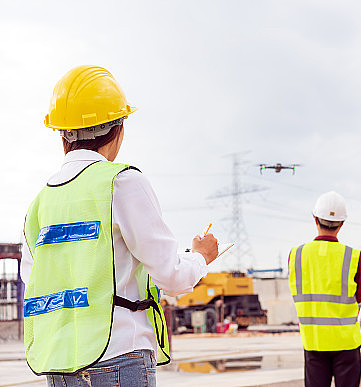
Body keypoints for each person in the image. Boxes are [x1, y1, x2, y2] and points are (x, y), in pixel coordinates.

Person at [21, 65, 220, 386]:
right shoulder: (122, 183)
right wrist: (201, 257)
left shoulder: (39, 204)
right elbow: (172, 278)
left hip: (58, 364)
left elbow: (34, 285)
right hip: (118, 356)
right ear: (119, 130)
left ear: (62, 136)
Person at [288, 191, 361, 387]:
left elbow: (297, 290)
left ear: (315, 219)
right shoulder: (355, 256)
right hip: (347, 343)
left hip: (314, 342)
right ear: (342, 224)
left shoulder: (296, 255)